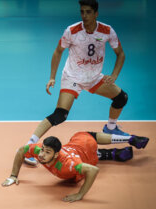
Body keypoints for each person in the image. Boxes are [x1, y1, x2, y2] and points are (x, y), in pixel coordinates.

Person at [26, 0, 129, 165]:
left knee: (121, 98)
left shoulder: (107, 31)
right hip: (72, 77)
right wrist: (52, 77)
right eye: (82, 12)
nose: (85, 15)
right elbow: (58, 52)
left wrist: (114, 75)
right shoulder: (72, 31)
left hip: (94, 77)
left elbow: (121, 54)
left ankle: (110, 128)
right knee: (60, 115)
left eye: (88, 12)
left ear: (96, 13)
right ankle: (29, 146)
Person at [2, 131, 149, 203]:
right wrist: (13, 175)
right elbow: (21, 150)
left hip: (84, 145)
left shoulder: (68, 165)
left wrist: (80, 195)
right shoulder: (38, 149)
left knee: (89, 137)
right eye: (43, 150)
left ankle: (129, 140)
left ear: (55, 155)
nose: (42, 155)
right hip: (75, 148)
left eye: (47, 152)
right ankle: (115, 154)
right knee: (88, 147)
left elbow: (93, 170)